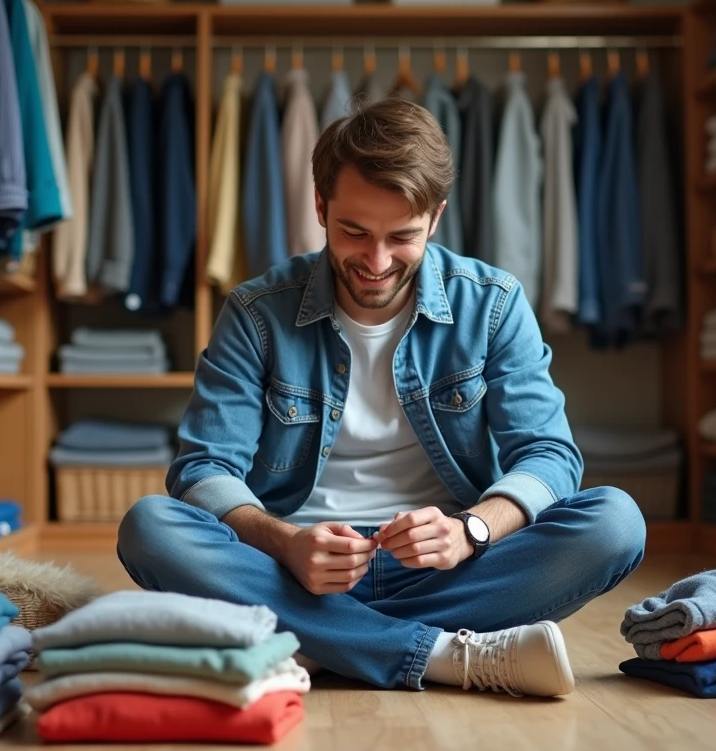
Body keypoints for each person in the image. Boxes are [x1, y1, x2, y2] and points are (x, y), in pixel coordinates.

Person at [117, 97, 646, 698]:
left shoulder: (493, 303)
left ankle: (318, 641)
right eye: (354, 232)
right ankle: (440, 653)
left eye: (402, 237)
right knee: (150, 526)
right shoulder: (256, 312)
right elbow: (204, 467)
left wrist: (471, 530)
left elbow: (550, 456)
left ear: (436, 218)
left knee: (614, 522)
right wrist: (287, 544)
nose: (376, 261)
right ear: (321, 207)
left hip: (448, 571)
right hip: (292, 572)